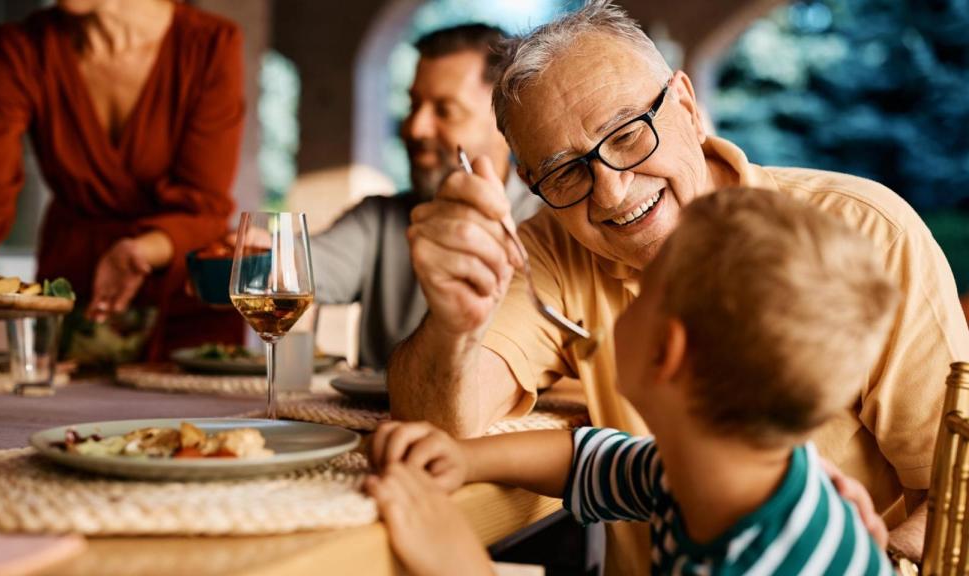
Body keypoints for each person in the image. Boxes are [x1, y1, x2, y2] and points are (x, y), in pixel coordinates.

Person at [387, 0, 969, 570]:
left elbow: (960, 494)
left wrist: (877, 562)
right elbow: (592, 460)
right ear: (529, 179)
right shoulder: (686, 473)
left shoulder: (866, 233)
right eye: (565, 170)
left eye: (627, 135)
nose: (611, 192)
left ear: (687, 105)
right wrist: (452, 328)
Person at [368, 188, 899, 576]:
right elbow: (594, 461)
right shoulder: (713, 470)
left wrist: (463, 567)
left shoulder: (763, 562)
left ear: (666, 352)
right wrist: (465, 457)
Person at [0, 0, 244, 359]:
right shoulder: (22, 48)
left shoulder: (210, 44)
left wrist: (137, 251)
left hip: (185, 294)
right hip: (72, 301)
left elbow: (204, 204)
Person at [309, 24, 543, 369]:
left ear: (507, 124)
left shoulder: (550, 228)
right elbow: (299, 272)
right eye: (413, 104)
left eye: (445, 111)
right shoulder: (376, 219)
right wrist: (254, 257)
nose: (415, 127)